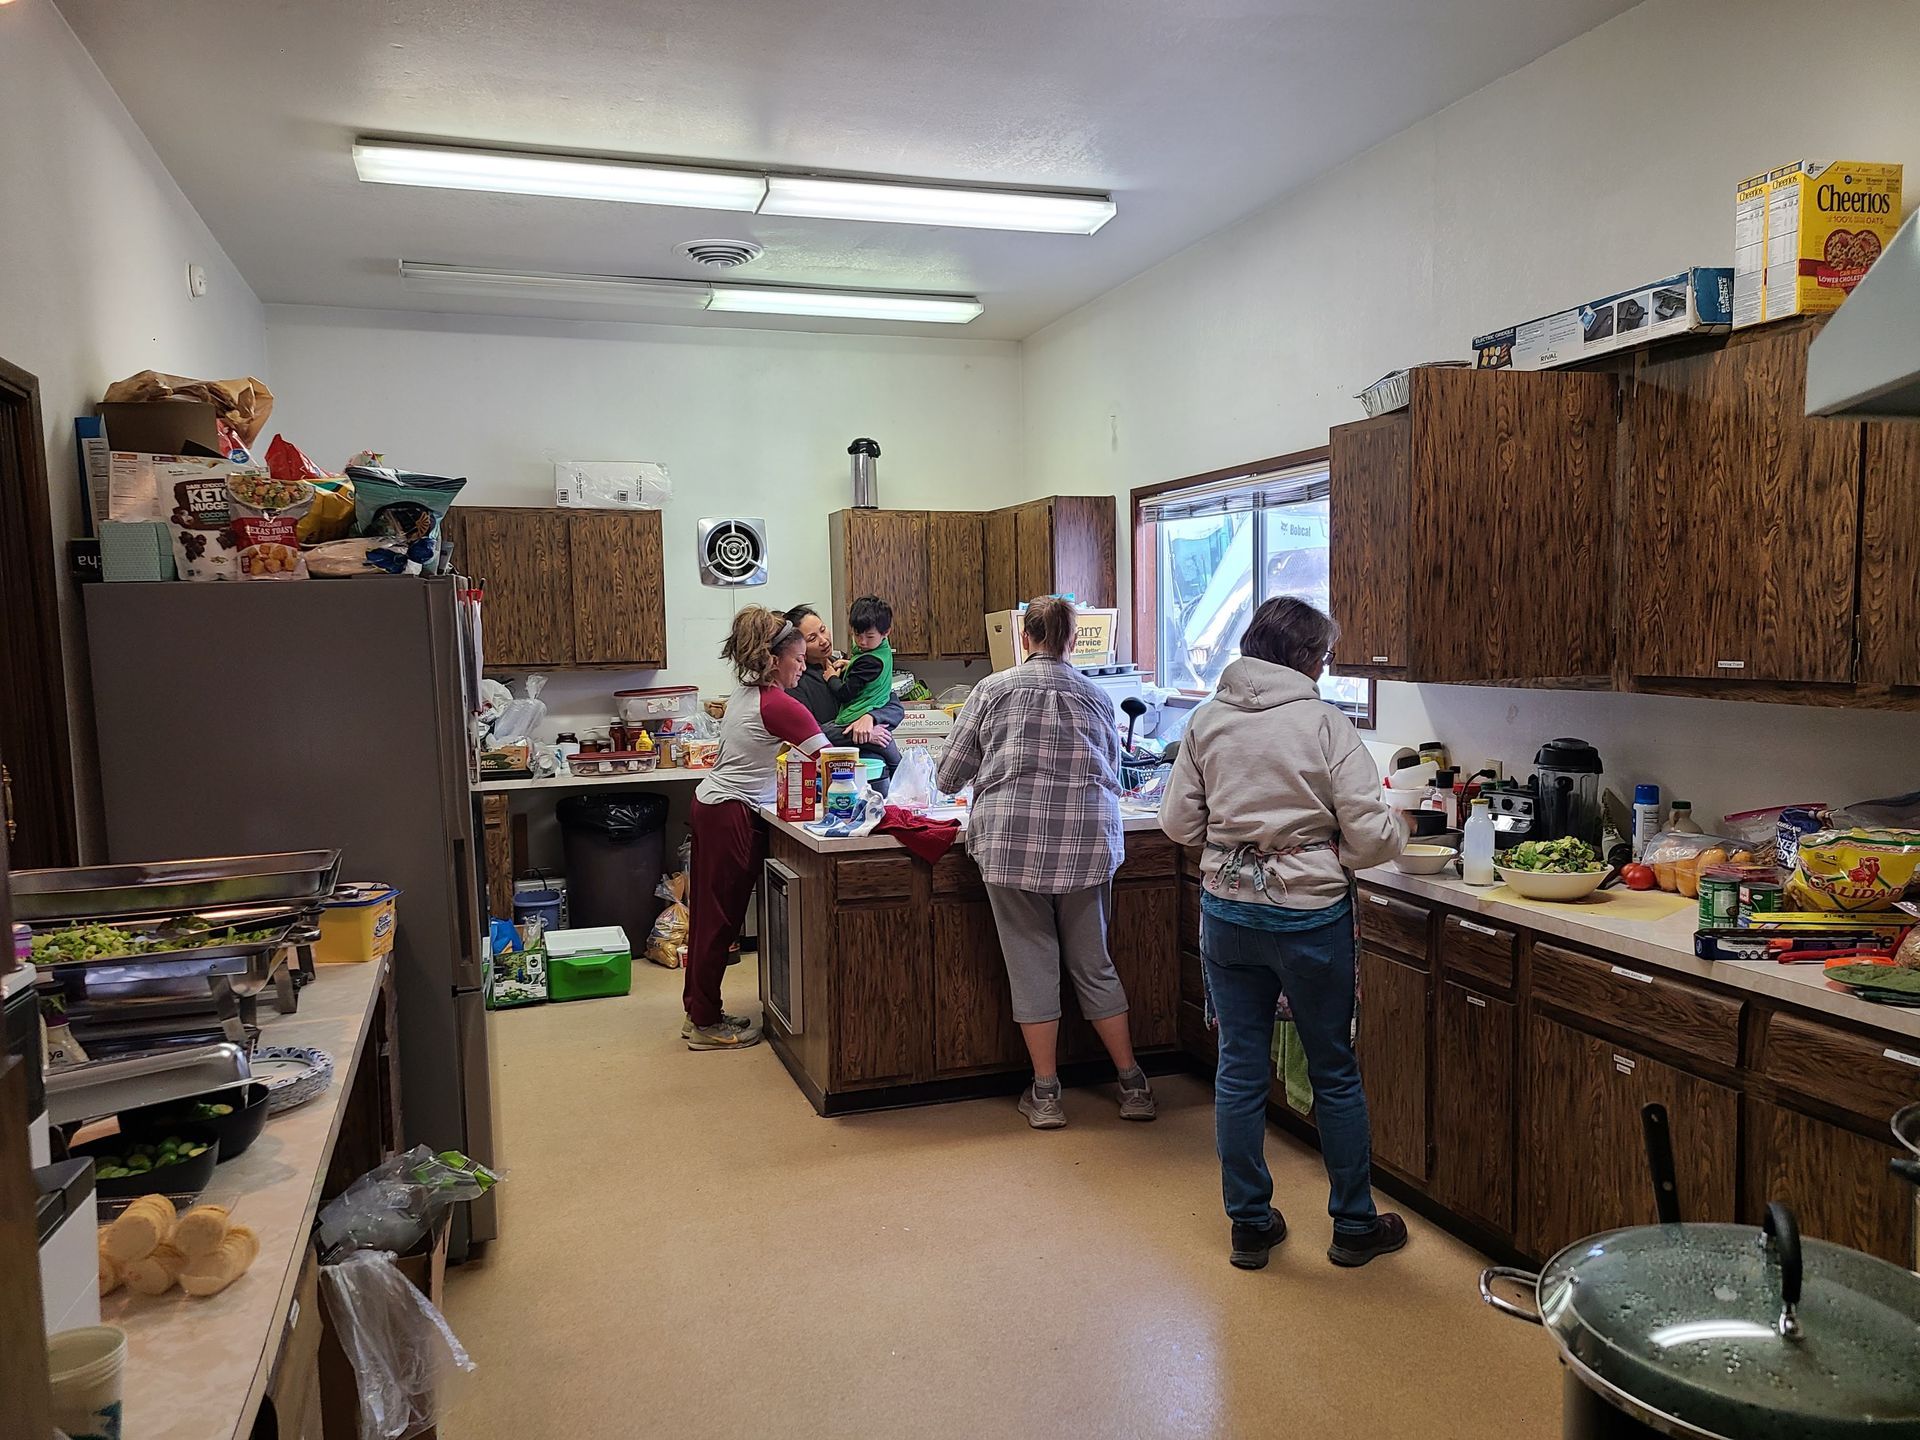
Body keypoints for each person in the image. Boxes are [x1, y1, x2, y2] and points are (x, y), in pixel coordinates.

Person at [1159, 596, 1408, 1270]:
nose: (1324, 671)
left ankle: (1249, 1224)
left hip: (1228, 915)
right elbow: (1368, 835)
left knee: (1239, 1069)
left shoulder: (1207, 721)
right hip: (1308, 918)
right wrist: (1389, 833)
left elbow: (1179, 827)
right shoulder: (1324, 724)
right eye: (1322, 658)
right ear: (1302, 658)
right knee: (1334, 1071)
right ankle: (1354, 1226)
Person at [937, 596, 1155, 1129]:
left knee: (1031, 963)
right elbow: (1118, 767)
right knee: (1094, 962)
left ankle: (1047, 1094)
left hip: (1011, 843)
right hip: (1086, 840)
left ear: (1025, 637)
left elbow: (948, 776)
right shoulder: (1097, 696)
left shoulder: (993, 690)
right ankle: (1131, 1083)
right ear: (1072, 640)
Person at [682, 607, 828, 1051]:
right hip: (730, 814)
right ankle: (705, 1024)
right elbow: (837, 765)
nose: (804, 666)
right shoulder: (780, 704)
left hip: (712, 804)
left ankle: (699, 1012)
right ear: (773, 658)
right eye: (798, 658)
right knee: (720, 921)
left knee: (710, 918)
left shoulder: (746, 693)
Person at [784, 604, 905, 787]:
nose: (824, 640)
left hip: (875, 768)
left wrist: (871, 717)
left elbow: (893, 704)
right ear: (798, 646)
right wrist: (859, 733)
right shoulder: (795, 683)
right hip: (835, 775)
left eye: (823, 630)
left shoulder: (847, 664)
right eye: (812, 638)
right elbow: (807, 734)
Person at [824, 595, 904, 780]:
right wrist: (850, 664)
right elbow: (862, 665)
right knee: (895, 761)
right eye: (857, 635)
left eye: (869, 637)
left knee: (821, 733)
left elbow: (844, 694)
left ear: (887, 632)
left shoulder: (869, 661)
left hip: (857, 717)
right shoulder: (880, 648)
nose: (862, 642)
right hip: (875, 715)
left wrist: (831, 678)